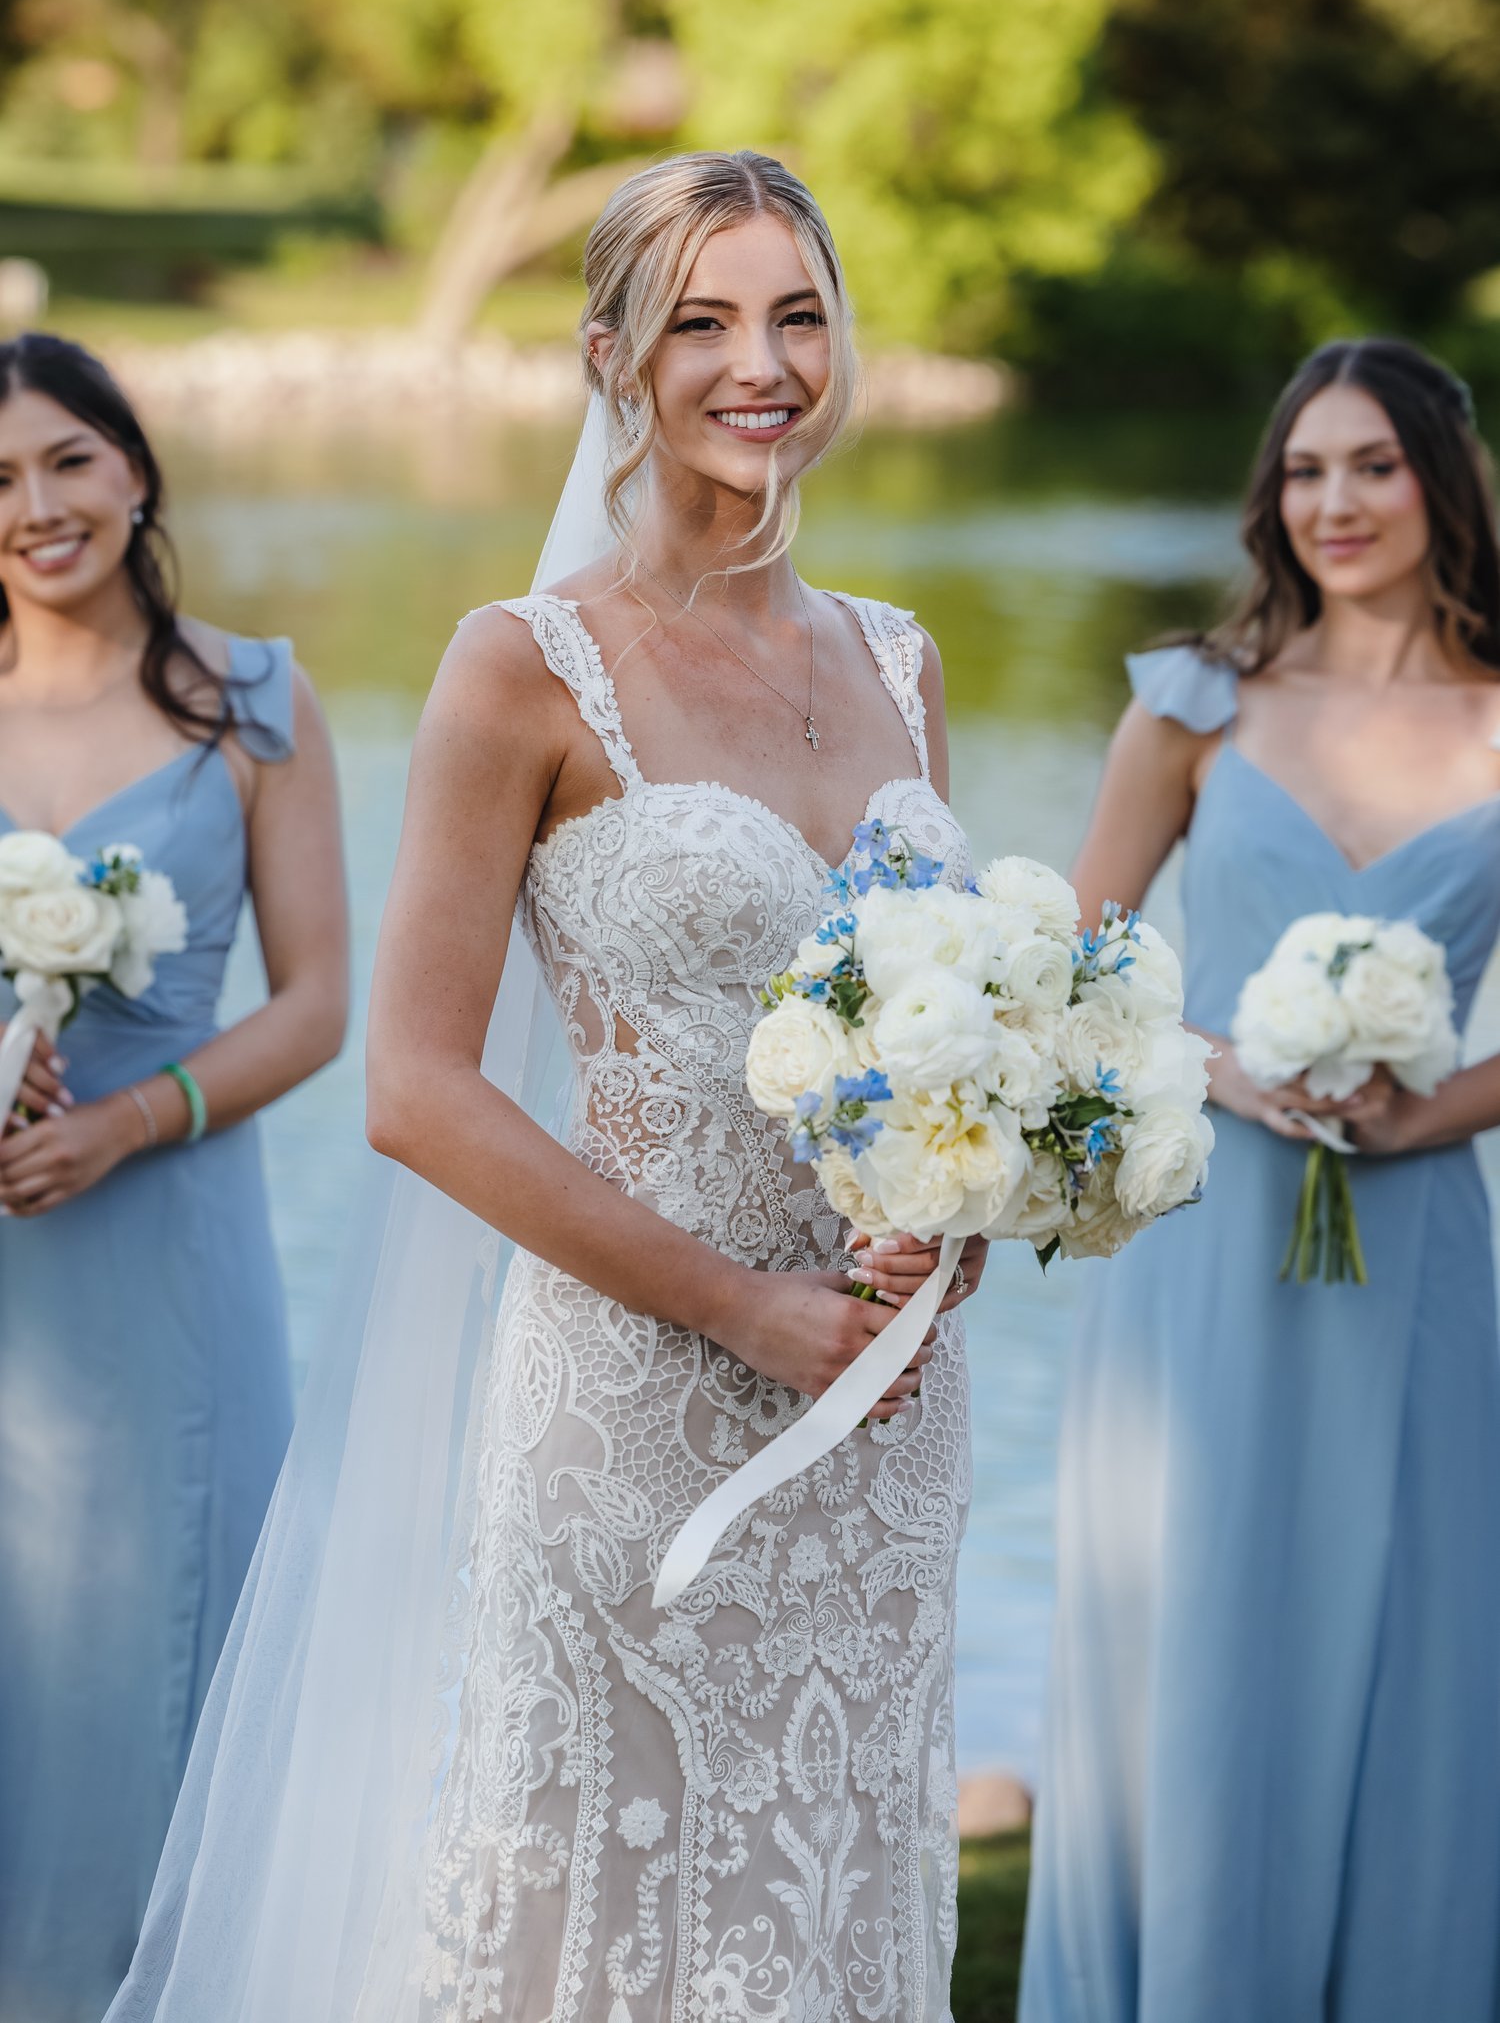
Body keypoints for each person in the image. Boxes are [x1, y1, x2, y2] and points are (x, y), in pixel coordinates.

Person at [107, 150, 988, 2022]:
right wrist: (747, 1305)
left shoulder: (905, 665)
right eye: (704, 321)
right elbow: (414, 1090)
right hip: (637, 1406)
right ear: (613, 355)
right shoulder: (524, 669)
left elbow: (943, 1038)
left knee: (837, 1891)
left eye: (801, 314)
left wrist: (970, 1204)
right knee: (590, 1915)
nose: (765, 364)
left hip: (887, 1421)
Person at [1021, 336, 1500, 2022]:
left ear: (1442, 477)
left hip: (1423, 1247)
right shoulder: (1192, 706)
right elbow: (1067, 973)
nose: (1336, 502)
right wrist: (1228, 1069)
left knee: (1421, 1645)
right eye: (1305, 471)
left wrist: (1417, 1114)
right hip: (1209, 1246)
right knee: (1209, 1638)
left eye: (1371, 464)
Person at [0, 334, 348, 2023]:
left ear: (135, 470)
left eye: (68, 458)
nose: (36, 504)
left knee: (167, 1657)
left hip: (174, 1248)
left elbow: (322, 1006)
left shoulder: (256, 700)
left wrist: (126, 1122)